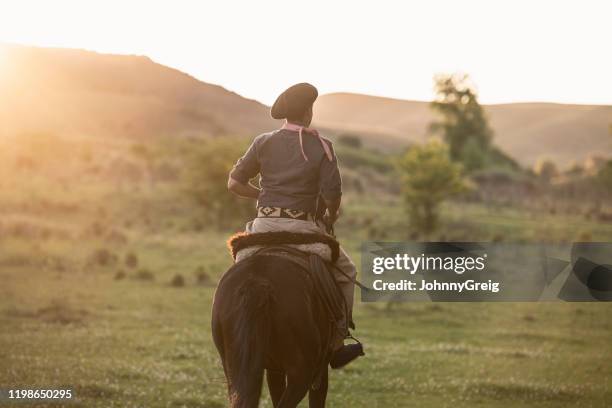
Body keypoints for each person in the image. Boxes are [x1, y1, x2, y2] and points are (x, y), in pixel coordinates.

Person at [227, 82, 364, 368]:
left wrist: (262, 194)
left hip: (263, 227)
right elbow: (332, 196)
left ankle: (229, 332)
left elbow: (234, 183)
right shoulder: (322, 147)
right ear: (308, 111)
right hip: (303, 229)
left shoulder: (262, 141)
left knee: (239, 268)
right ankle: (338, 342)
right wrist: (330, 215)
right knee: (347, 271)